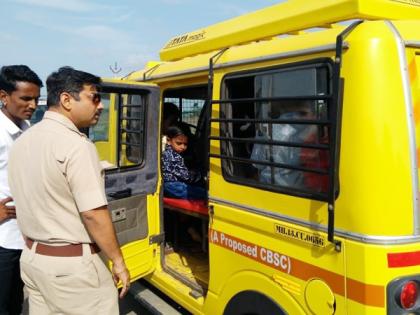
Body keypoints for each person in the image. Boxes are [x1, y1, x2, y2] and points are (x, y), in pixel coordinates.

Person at [8, 66, 130, 315]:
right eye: (94, 97)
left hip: (33, 259)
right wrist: (118, 261)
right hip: (73, 270)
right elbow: (93, 214)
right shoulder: (77, 146)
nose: (101, 106)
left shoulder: (23, 141)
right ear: (66, 99)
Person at [0, 64, 42, 315]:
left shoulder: (26, 129)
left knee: (16, 300)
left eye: (36, 98)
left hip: (23, 236)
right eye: (26, 98)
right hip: (3, 239)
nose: (34, 105)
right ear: (3, 97)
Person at [251, 100, 315, 189]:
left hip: (269, 189)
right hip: (300, 192)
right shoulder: (313, 130)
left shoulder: (266, 129)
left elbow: (257, 164)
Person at [162, 125, 206, 200]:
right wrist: (199, 175)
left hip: (168, 185)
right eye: (179, 143)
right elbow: (186, 177)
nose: (182, 147)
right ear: (169, 141)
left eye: (185, 144)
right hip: (174, 186)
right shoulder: (175, 157)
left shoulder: (165, 152)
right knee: (204, 193)